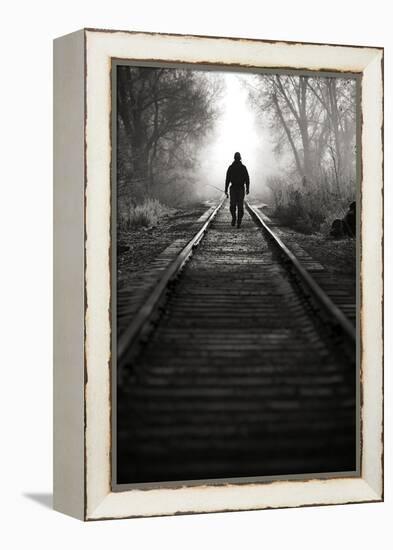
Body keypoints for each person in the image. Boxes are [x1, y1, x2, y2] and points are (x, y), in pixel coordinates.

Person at [225, 152, 250, 228]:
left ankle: (237, 219)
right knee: (237, 206)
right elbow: (247, 179)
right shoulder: (242, 167)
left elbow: (227, 180)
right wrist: (248, 188)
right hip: (238, 188)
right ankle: (237, 219)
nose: (237, 159)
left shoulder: (232, 167)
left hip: (236, 188)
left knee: (236, 206)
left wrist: (226, 189)